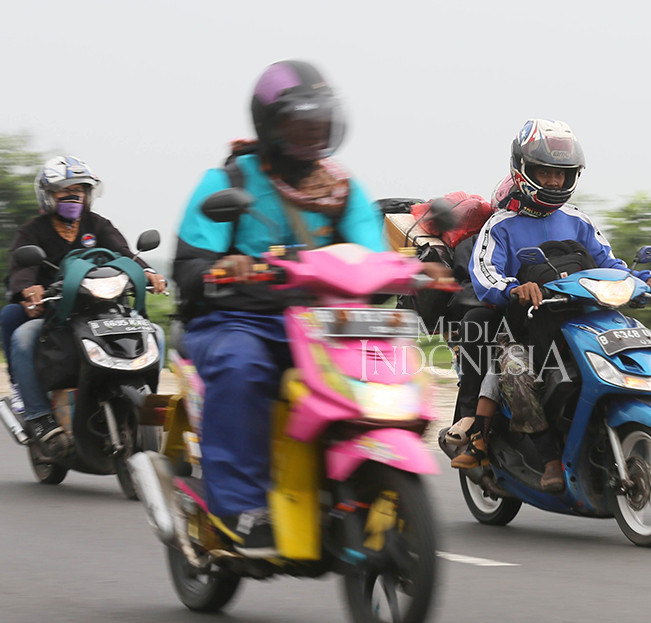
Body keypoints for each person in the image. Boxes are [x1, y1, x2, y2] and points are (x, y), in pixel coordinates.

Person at [172, 60, 389, 557]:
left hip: (327, 327)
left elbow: (372, 264)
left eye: (321, 124)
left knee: (382, 373)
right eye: (299, 124)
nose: (313, 135)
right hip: (240, 321)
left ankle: (363, 478)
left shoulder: (343, 189)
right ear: (269, 126)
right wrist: (225, 269)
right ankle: (241, 507)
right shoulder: (228, 179)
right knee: (242, 366)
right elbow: (190, 267)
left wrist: (417, 273)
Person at [449, 118, 651, 492]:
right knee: (517, 373)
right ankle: (548, 457)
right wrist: (515, 288)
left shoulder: (578, 220)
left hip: (585, 322)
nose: (553, 182)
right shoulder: (500, 225)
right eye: (544, 172)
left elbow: (610, 263)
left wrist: (646, 280)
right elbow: (485, 274)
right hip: (526, 329)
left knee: (639, 345)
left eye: (561, 175)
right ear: (523, 170)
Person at [4, 155, 167, 455]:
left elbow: (124, 254)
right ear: (48, 195)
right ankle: (38, 415)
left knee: (155, 332)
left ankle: (148, 407)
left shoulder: (98, 225)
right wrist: (29, 290)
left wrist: (148, 272)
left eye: (80, 191)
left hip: (103, 310)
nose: (73, 197)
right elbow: (21, 269)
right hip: (57, 313)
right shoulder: (33, 231)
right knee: (22, 336)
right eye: (64, 191)